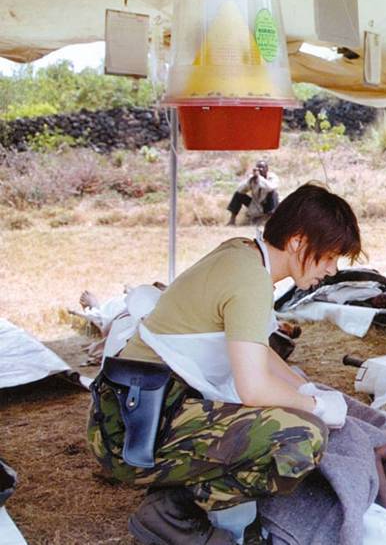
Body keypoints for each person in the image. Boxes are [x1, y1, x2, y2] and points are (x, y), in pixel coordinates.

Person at [87, 183, 362, 545]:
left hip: (140, 411)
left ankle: (198, 508)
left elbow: (260, 352)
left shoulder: (245, 256)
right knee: (302, 436)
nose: (331, 269)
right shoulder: (249, 278)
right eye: (329, 256)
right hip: (134, 428)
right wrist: (315, 406)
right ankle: (176, 512)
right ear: (298, 241)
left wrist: (305, 390)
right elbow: (254, 387)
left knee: (295, 413)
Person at [226, 159, 279, 226]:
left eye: (262, 167)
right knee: (238, 194)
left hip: (268, 205)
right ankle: (232, 220)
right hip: (255, 204)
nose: (260, 169)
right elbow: (240, 190)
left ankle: (271, 220)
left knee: (273, 193)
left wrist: (260, 178)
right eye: (258, 168)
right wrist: (249, 181)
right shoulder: (252, 178)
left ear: (267, 169)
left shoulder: (272, 177)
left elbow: (270, 187)